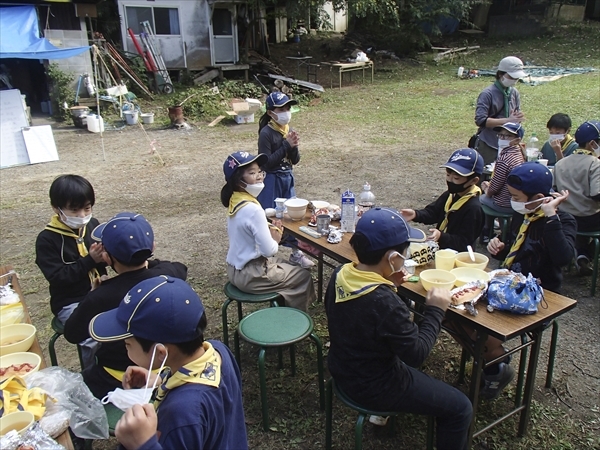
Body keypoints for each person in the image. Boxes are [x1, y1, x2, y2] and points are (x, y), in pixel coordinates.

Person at [325, 207, 472, 450]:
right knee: (461, 408)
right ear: (393, 258)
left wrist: (389, 284)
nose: (406, 256)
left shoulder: (342, 273)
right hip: (375, 385)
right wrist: (435, 309)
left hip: (342, 367)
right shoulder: (384, 303)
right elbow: (416, 354)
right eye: (405, 251)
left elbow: (373, 321)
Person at [89, 276, 248, 450]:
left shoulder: (181, 413)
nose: (125, 347)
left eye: (128, 344)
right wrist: (162, 380)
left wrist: (142, 445)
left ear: (161, 353)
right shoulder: (218, 351)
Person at [64, 212, 188, 399]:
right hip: (167, 368)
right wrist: (147, 263)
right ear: (152, 246)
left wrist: (92, 293)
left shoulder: (101, 296)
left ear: (106, 257)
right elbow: (177, 267)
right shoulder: (170, 273)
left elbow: (72, 333)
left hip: (116, 379)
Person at [221, 151, 316, 311]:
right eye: (252, 173)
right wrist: (276, 238)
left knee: (287, 265)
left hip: (234, 269)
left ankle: (282, 307)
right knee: (303, 276)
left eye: (260, 171)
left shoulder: (235, 200)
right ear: (238, 180)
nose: (259, 176)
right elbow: (269, 250)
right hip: (252, 275)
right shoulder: (253, 209)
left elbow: (247, 226)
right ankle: (294, 321)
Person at [487, 162, 576, 292]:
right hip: (512, 282)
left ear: (539, 197)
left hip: (541, 289)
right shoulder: (523, 213)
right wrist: (500, 248)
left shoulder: (563, 221)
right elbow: (516, 247)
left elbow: (563, 258)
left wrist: (551, 216)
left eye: (516, 197)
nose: (513, 201)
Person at [35, 174, 106, 323]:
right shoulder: (47, 240)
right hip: (71, 301)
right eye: (74, 210)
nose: (82, 215)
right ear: (56, 208)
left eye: (87, 208)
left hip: (100, 292)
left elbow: (103, 260)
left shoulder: (92, 225)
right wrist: (90, 260)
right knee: (92, 333)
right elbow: (58, 277)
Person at [257, 91, 313, 268]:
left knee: (293, 216)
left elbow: (295, 160)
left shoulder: (288, 130)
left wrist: (293, 146)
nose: (286, 112)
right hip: (272, 181)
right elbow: (266, 163)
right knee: (269, 217)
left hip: (287, 178)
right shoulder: (266, 133)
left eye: (288, 108)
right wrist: (285, 145)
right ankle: (263, 256)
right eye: (281, 108)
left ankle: (296, 253)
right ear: (270, 113)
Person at [401, 148, 484, 252]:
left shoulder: (474, 208)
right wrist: (416, 214)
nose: (449, 180)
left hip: (458, 256)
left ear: (474, 180)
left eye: (456, 178)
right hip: (442, 249)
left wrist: (442, 236)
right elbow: (434, 212)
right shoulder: (451, 195)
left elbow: (464, 242)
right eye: (448, 175)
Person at [553, 120, 600, 275]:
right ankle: (588, 253)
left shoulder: (561, 163)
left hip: (565, 216)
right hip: (589, 218)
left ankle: (581, 253)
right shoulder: (595, 164)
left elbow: (554, 188)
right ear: (592, 143)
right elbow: (596, 195)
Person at [474, 56, 527, 165]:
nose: (514, 80)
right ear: (500, 74)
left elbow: (515, 115)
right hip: (490, 143)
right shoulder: (487, 94)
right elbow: (481, 121)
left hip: (510, 143)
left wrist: (517, 118)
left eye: (516, 78)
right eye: (511, 77)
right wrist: (508, 120)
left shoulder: (514, 92)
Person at [480, 122, 526, 243]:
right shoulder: (519, 154)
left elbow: (494, 189)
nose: (502, 139)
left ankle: (486, 231)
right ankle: (500, 230)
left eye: (506, 136)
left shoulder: (504, 159)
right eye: (500, 135)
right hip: (515, 200)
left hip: (504, 203)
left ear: (517, 140)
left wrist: (486, 189)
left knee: (481, 199)